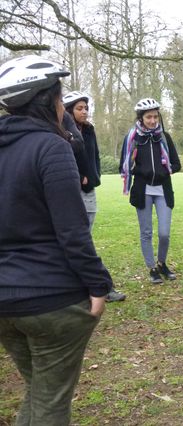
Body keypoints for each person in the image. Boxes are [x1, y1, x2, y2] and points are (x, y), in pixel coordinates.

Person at [0, 55, 112, 424]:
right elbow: (72, 230)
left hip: (5, 299)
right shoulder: (52, 148)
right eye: (61, 98)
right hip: (51, 299)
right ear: (49, 100)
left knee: (40, 390)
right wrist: (99, 285)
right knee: (50, 402)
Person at [64, 91, 126, 302]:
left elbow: (94, 156)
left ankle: (91, 286)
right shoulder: (61, 132)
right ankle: (98, 287)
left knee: (86, 238)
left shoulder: (89, 131)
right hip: (71, 190)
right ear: (69, 111)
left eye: (86, 108)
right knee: (82, 241)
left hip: (89, 189)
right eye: (79, 108)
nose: (84, 112)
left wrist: (94, 176)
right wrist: (77, 176)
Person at [120, 98, 181, 284]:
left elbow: (176, 164)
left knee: (164, 232)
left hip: (163, 189)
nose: (153, 121)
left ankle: (162, 263)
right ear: (141, 118)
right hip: (142, 189)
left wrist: (164, 169)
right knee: (146, 232)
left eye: (155, 117)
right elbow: (125, 166)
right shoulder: (133, 138)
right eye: (148, 117)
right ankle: (152, 268)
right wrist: (143, 171)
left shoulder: (164, 137)